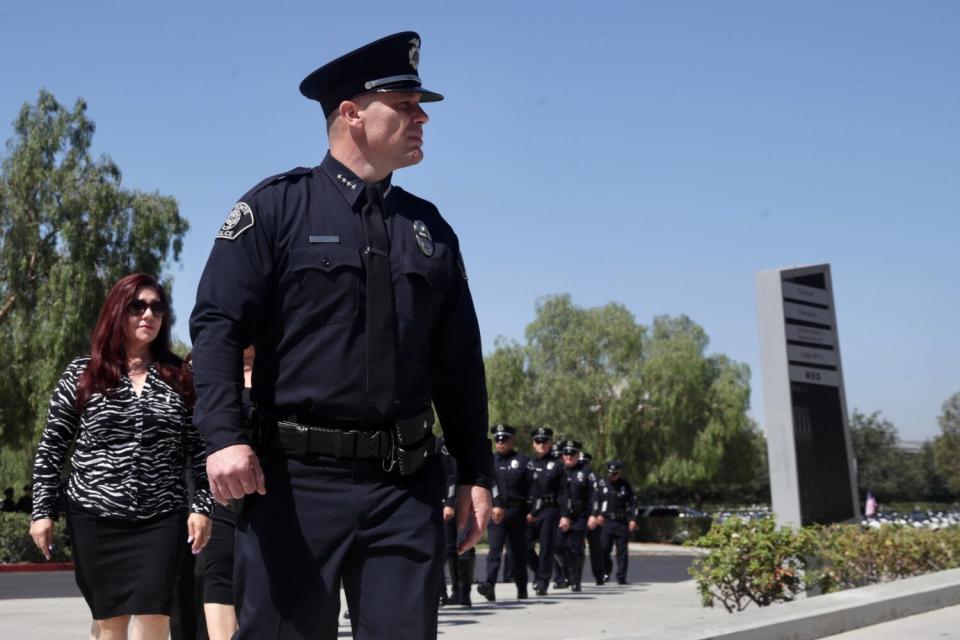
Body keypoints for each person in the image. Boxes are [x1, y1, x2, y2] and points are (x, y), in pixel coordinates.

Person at [189, 31, 493, 640]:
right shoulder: (276, 210)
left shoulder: (429, 230)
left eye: (420, 106)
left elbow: (459, 364)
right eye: (404, 105)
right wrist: (222, 437)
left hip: (403, 488)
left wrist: (476, 473)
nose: (421, 117)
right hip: (293, 489)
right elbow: (217, 325)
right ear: (351, 114)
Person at [29, 273, 213, 640]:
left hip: (161, 516)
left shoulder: (181, 377)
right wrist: (42, 512)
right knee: (111, 624)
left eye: (157, 307)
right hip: (94, 515)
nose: (149, 314)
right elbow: (52, 449)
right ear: (117, 312)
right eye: (137, 306)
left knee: (155, 617)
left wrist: (202, 506)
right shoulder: (82, 375)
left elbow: (201, 449)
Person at [194, 345, 254, 639]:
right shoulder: (214, 371)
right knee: (218, 572)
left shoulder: (284, 366)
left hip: (279, 495)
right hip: (222, 497)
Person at [477, 424, 530, 602]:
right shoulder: (490, 461)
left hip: (516, 512)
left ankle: (522, 588)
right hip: (496, 513)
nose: (501, 443)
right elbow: (487, 484)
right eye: (498, 440)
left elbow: (530, 488)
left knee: (517, 553)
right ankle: (489, 586)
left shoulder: (522, 461)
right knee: (494, 552)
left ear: (512, 440)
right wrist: (494, 504)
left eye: (504, 439)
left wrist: (531, 511)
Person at [525, 427, 564, 596]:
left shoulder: (557, 465)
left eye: (545, 441)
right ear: (533, 444)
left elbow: (564, 492)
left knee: (546, 547)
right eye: (538, 441)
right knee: (524, 546)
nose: (541, 444)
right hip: (530, 512)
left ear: (550, 443)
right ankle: (539, 572)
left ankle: (542, 582)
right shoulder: (529, 464)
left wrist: (565, 515)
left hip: (549, 510)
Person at [439, 437, 476, 607]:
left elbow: (454, 476)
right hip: (444, 503)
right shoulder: (438, 443)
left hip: (464, 501)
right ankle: (450, 593)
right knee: (447, 549)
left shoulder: (467, 439)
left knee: (464, 548)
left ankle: (464, 594)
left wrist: (449, 501)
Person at [556, 440, 595, 592]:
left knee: (576, 549)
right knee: (557, 546)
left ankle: (575, 580)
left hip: (580, 515)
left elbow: (593, 496)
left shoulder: (586, 472)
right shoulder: (558, 471)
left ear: (578, 455)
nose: (569, 456)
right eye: (566, 453)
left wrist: (593, 515)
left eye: (572, 453)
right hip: (561, 515)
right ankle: (567, 572)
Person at [594, 461, 637, 585]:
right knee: (603, 549)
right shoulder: (602, 484)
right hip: (606, 522)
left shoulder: (625, 485)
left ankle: (621, 577)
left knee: (622, 551)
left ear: (619, 473)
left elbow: (633, 504)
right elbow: (596, 501)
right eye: (610, 473)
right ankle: (606, 571)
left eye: (614, 474)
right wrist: (597, 515)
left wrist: (632, 519)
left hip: (621, 522)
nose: (611, 476)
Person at [581, 451, 606, 585]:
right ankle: (569, 576)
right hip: (578, 515)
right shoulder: (572, 474)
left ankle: (599, 576)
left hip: (593, 516)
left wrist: (600, 515)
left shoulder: (597, 478)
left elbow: (603, 499)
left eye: (585, 463)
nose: (583, 465)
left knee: (595, 548)